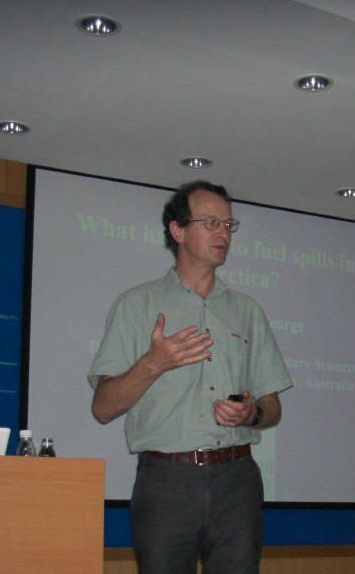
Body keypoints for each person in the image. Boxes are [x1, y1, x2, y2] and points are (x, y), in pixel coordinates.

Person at [88, 180, 292, 574]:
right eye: (211, 222)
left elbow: (273, 407)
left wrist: (250, 414)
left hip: (237, 480)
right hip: (167, 481)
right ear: (178, 230)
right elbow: (103, 408)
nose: (223, 234)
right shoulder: (136, 305)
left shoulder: (247, 310)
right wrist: (152, 364)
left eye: (228, 225)